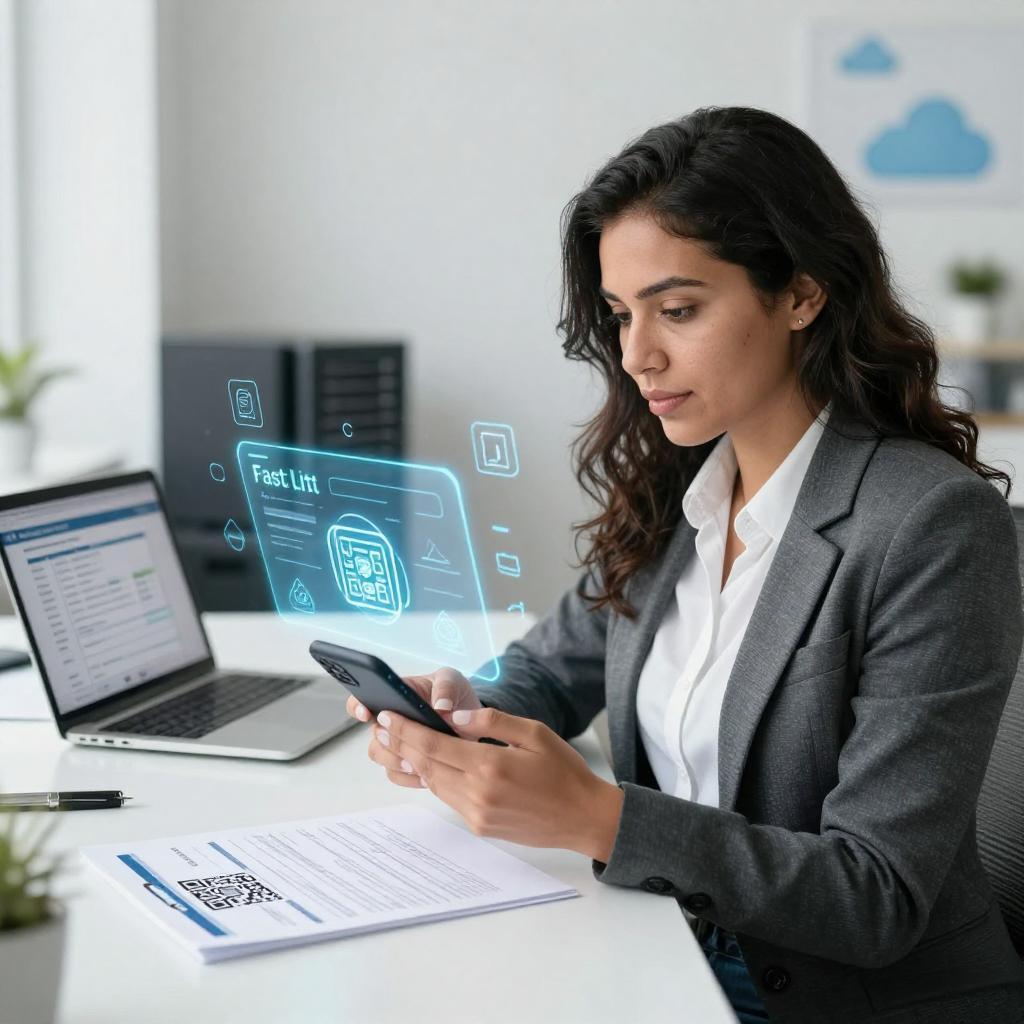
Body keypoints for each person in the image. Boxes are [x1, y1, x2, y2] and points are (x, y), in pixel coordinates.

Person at [345, 107, 1024, 1023]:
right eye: (621, 315)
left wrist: (597, 817)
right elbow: (548, 669)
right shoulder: (681, 486)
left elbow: (876, 896)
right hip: (658, 949)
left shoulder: (931, 526)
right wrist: (455, 708)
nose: (637, 356)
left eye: (679, 309)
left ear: (801, 294)